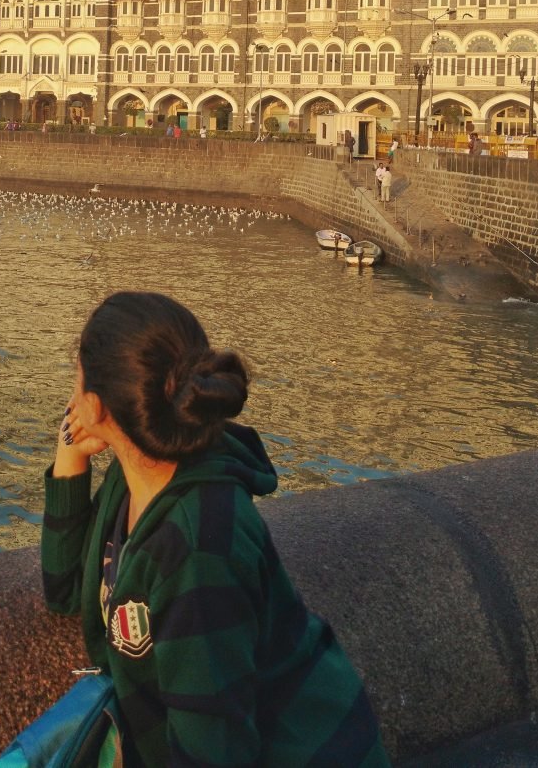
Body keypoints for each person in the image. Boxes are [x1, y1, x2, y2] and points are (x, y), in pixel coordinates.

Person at [44, 292, 389, 766]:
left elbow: (213, 751)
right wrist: (69, 457)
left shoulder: (197, 547)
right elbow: (65, 591)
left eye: (76, 373)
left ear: (96, 405)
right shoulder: (132, 476)